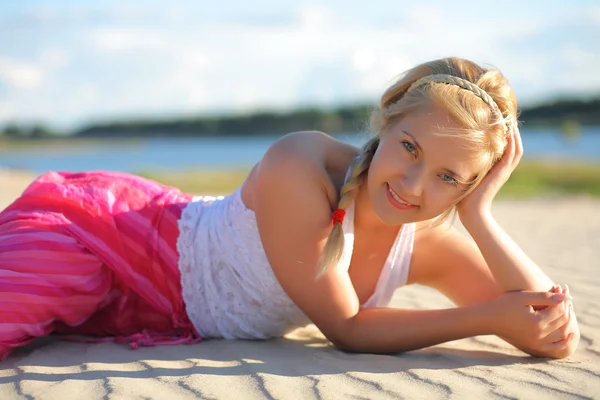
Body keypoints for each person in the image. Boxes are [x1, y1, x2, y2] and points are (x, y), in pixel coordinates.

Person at [0, 57, 579, 361]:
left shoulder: (429, 243)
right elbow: (348, 328)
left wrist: (480, 217)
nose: (412, 183)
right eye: (409, 148)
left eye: (448, 177)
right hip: (118, 241)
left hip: (161, 316)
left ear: (471, 184)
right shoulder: (300, 167)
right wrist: (487, 318)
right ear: (386, 119)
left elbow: (552, 336)